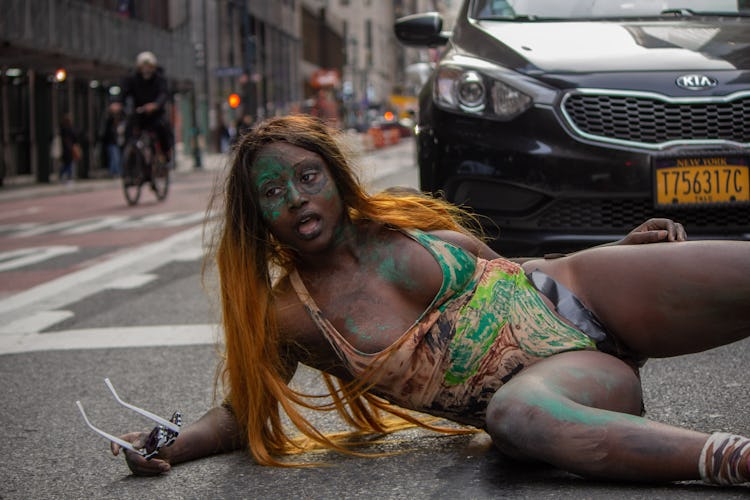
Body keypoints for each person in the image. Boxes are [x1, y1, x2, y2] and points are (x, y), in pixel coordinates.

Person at [110, 115, 750, 487]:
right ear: (257, 216)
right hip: (557, 386)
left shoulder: (401, 225)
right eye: (274, 191)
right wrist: (170, 441)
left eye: (309, 177)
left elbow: (513, 274)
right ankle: (732, 459)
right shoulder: (289, 317)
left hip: (584, 288)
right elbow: (243, 414)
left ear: (336, 178)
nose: (298, 198)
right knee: (515, 418)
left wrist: (624, 246)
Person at [120, 51, 173, 164]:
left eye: (149, 66)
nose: (146, 69)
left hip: (155, 114)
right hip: (139, 114)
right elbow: (124, 93)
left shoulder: (159, 79)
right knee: (128, 129)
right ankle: (129, 161)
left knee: (163, 128)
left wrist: (156, 105)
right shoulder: (132, 79)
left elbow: (164, 93)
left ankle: (166, 153)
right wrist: (117, 103)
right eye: (143, 67)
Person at [98, 101, 126, 177]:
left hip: (119, 141)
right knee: (115, 157)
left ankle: (116, 172)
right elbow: (106, 129)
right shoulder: (108, 119)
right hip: (111, 141)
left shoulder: (121, 117)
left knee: (117, 157)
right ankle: (115, 173)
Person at [59, 113, 80, 183]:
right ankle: (68, 177)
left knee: (67, 164)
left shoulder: (62, 129)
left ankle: (65, 175)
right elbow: (75, 137)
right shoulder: (69, 129)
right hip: (69, 149)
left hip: (66, 149)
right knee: (69, 164)